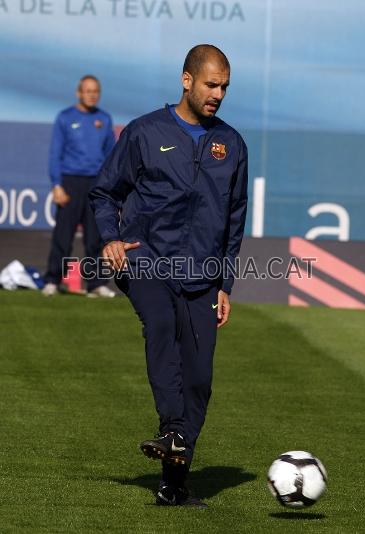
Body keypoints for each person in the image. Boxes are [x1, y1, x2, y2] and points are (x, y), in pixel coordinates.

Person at [90, 45, 248, 507]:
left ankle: (174, 485)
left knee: (199, 379)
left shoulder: (232, 145)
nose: (217, 94)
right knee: (160, 325)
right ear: (187, 80)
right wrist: (110, 237)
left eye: (224, 87)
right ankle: (172, 429)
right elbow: (105, 192)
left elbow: (234, 218)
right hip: (146, 260)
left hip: (203, 274)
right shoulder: (144, 132)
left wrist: (225, 284)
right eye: (210, 84)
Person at [42, 75, 116, 297]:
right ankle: (53, 280)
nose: (92, 95)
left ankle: (97, 284)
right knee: (63, 237)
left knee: (96, 238)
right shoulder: (65, 118)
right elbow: (55, 154)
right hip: (70, 182)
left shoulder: (104, 119)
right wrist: (57, 185)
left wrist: (109, 186)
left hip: (96, 184)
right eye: (88, 91)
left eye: (96, 91)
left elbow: (111, 155)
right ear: (79, 93)